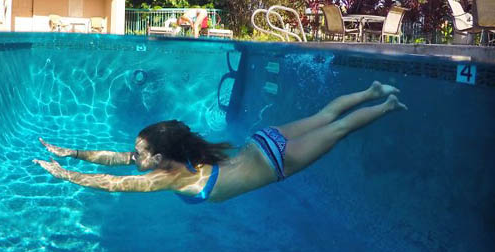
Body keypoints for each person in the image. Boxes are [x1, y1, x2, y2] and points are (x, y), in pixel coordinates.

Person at [33, 82, 406, 203]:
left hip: (277, 160)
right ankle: (370, 90)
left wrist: (64, 175)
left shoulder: (167, 176)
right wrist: (74, 153)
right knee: (326, 118)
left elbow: (115, 182)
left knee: (339, 130)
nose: (133, 155)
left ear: (159, 156)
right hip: (263, 140)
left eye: (140, 151)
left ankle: (387, 104)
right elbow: (117, 160)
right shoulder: (180, 153)